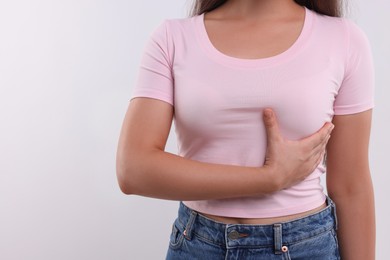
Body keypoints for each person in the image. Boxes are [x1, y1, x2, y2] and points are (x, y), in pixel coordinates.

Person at [116, 0, 375, 259]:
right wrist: (270, 179)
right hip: (198, 246)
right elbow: (134, 169)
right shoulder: (173, 38)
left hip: (305, 247)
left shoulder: (343, 39)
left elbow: (351, 187)